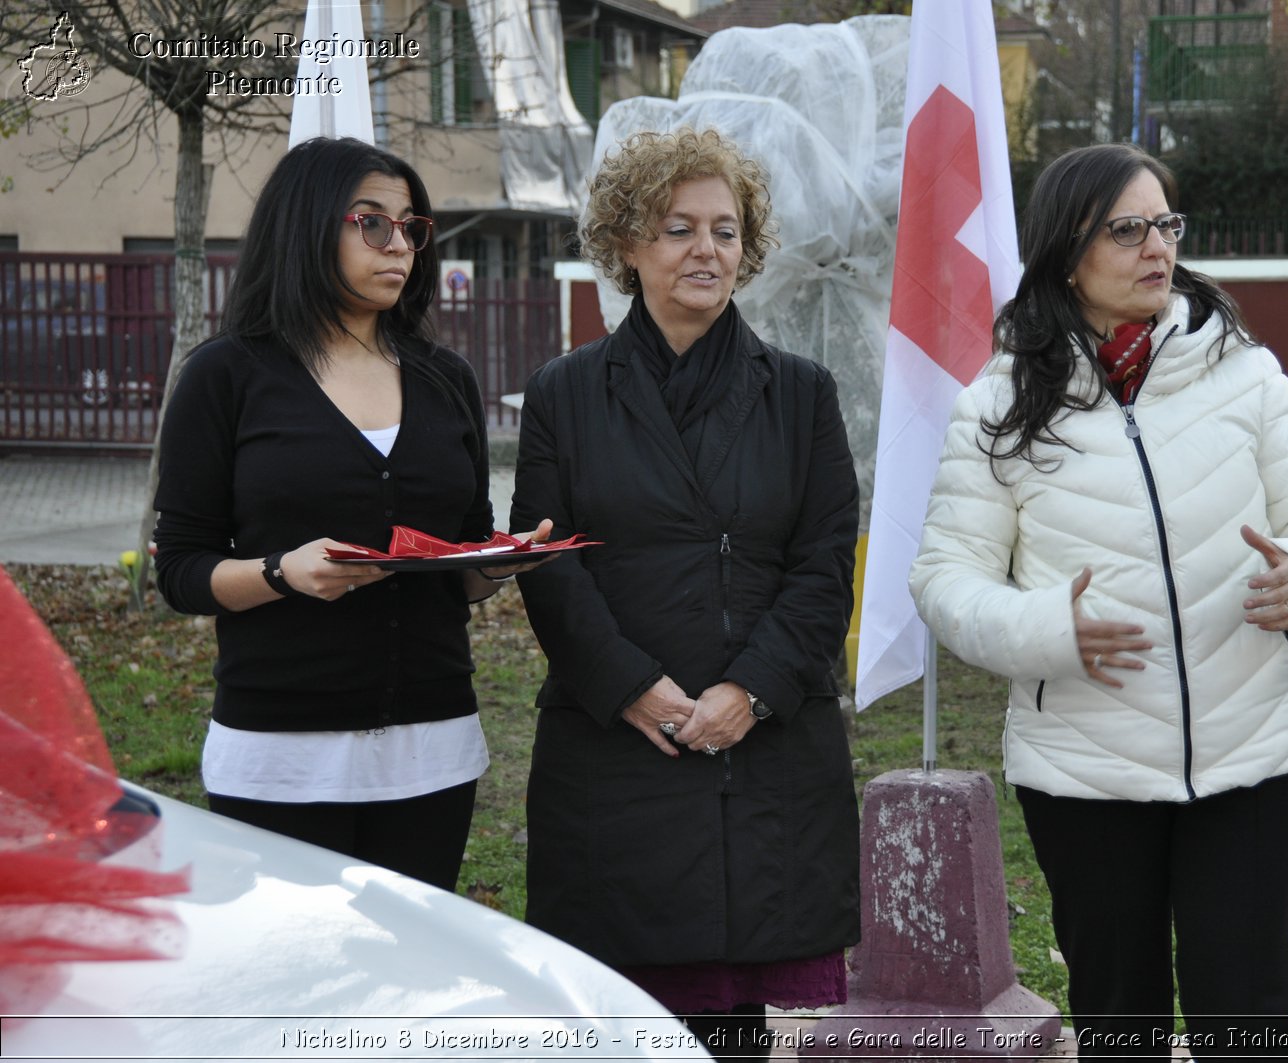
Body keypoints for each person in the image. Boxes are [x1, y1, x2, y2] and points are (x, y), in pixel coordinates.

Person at [909, 143, 1288, 1059]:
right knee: (1120, 1020)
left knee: (1249, 1016)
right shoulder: (997, 404)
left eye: (1167, 224)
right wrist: (1048, 629)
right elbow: (944, 579)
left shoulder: (1246, 372)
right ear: (1067, 250)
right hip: (1085, 768)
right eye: (1128, 228)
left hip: (1253, 752)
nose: (1157, 246)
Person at [510, 127, 860, 1060]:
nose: (707, 249)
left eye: (726, 229)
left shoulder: (801, 393)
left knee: (729, 1027)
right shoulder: (564, 392)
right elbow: (545, 560)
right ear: (627, 243)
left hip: (762, 744)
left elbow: (826, 562)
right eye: (678, 227)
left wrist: (750, 690)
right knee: (622, 1019)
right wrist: (631, 686)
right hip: (618, 746)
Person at [153, 137, 549, 893]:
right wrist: (281, 573)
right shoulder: (227, 374)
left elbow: (457, 561)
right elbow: (180, 570)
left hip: (433, 746)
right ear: (307, 225)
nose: (398, 243)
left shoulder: (445, 377)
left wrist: (495, 564)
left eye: (410, 226)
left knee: (406, 995)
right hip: (281, 752)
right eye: (372, 222)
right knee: (290, 994)